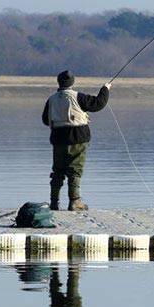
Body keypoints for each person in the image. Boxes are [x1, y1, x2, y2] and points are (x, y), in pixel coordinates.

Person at [42, 71, 111, 211]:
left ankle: (54, 202)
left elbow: (45, 120)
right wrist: (105, 90)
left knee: (58, 171)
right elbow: (98, 104)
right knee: (75, 169)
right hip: (78, 137)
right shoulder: (78, 97)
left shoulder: (51, 99)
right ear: (72, 83)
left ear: (59, 82)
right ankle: (75, 201)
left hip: (58, 138)